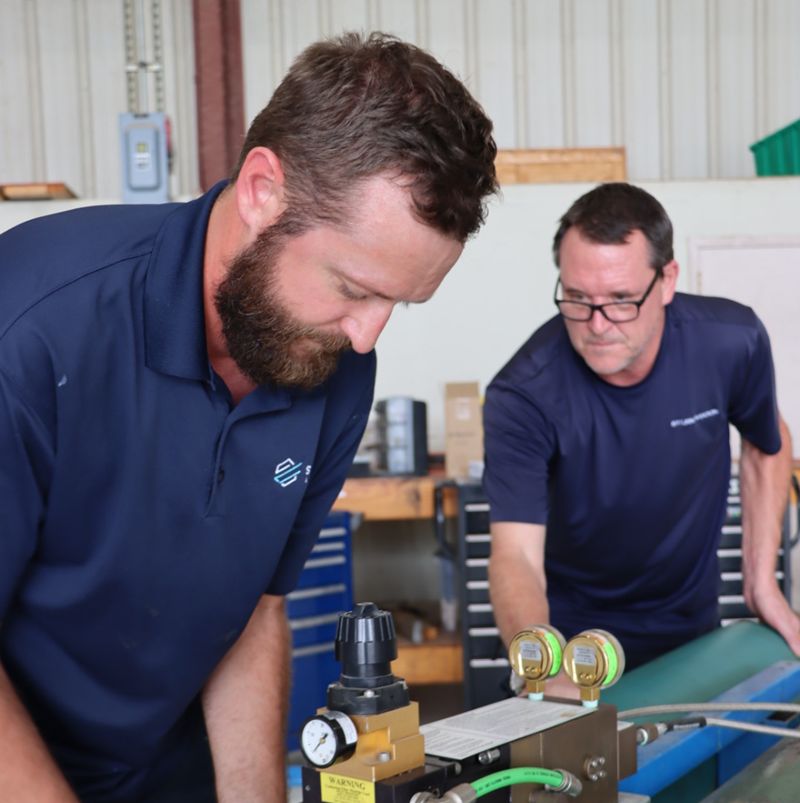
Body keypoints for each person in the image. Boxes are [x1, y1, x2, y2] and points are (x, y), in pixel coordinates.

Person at [0, 32, 497, 802]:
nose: (370, 336)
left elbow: (254, 607)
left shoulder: (333, 365)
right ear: (264, 188)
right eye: (354, 287)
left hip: (164, 769)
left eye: (399, 302)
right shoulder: (31, 325)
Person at [484, 182, 796, 685]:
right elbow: (515, 554)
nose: (598, 324)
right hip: (574, 649)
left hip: (694, 635)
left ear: (667, 281)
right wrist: (544, 669)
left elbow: (768, 441)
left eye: (622, 300)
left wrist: (763, 584)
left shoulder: (730, 342)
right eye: (578, 299)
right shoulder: (524, 394)